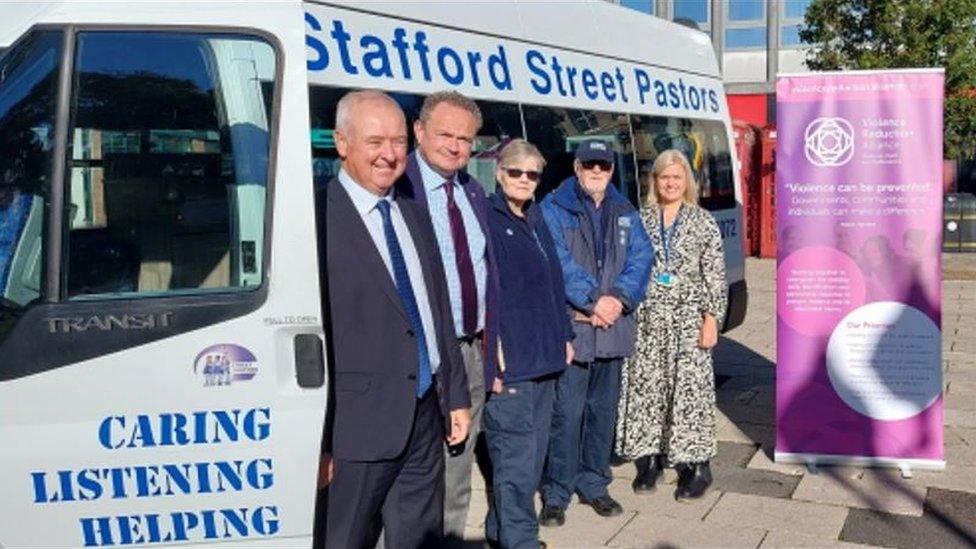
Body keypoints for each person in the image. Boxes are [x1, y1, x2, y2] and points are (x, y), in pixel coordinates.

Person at [316, 89, 471, 549]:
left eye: (399, 142)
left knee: (419, 539)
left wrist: (455, 395)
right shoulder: (317, 221)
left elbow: (437, 313)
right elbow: (311, 334)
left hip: (424, 415)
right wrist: (319, 441)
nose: (389, 155)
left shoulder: (411, 214)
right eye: (375, 141)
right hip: (356, 430)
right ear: (342, 143)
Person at [396, 90, 498, 545]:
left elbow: (484, 271)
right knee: (411, 475)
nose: (456, 146)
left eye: (465, 138)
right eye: (445, 135)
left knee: (458, 470)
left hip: (469, 351)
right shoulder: (398, 189)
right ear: (418, 131)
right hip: (418, 356)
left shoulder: (472, 191)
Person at [538, 139, 653, 525]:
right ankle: (556, 493)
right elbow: (559, 262)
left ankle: (594, 484)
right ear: (577, 167)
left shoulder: (625, 210)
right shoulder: (553, 208)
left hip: (612, 328)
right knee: (566, 415)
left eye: (603, 165)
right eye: (590, 165)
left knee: (602, 413)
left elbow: (641, 258)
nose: (597, 172)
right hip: (576, 329)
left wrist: (618, 299)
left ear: (611, 169)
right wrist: (593, 299)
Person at [614, 149, 727, 501]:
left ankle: (697, 465)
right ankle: (649, 461)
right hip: (647, 319)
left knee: (690, 390)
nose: (671, 183)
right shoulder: (640, 219)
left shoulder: (702, 220)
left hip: (687, 319)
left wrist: (712, 320)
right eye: (665, 177)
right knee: (647, 390)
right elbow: (627, 267)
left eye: (677, 177)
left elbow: (716, 275)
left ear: (686, 182)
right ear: (655, 181)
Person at [483, 139, 573, 548]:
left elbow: (554, 282)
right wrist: (492, 354)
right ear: (500, 173)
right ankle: (520, 541)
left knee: (528, 462)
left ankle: (501, 534)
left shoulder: (536, 218)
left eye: (532, 173)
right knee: (516, 465)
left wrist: (566, 335)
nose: (523, 179)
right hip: (513, 364)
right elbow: (482, 294)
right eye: (515, 171)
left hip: (546, 360)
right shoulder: (487, 219)